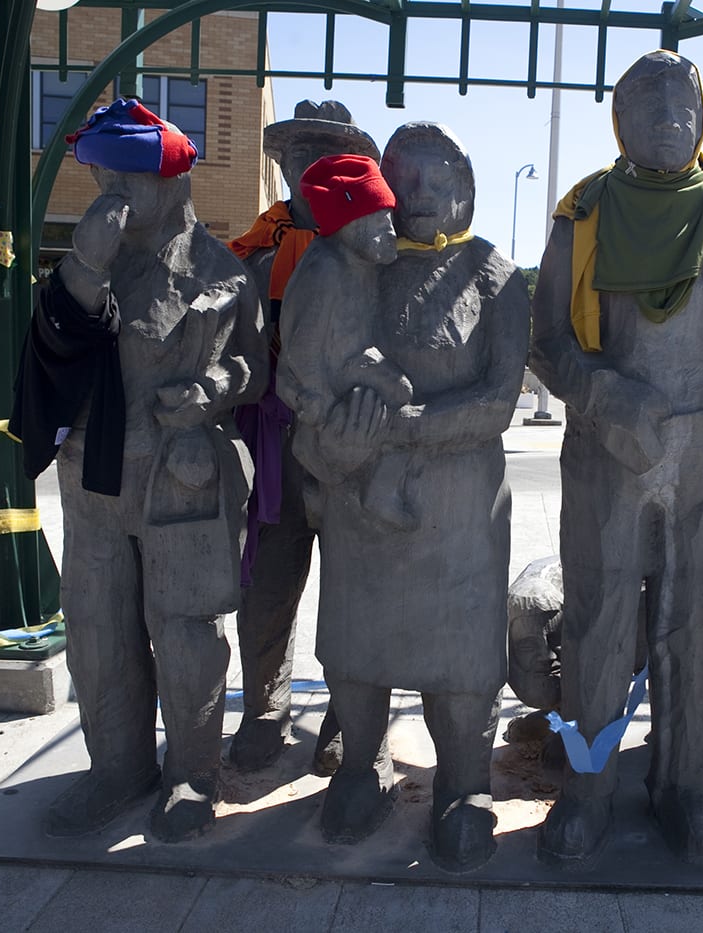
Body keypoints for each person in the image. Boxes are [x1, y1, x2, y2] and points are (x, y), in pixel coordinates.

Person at [528, 50, 703, 865]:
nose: (671, 116)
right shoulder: (584, 215)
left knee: (695, 627)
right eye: (649, 103)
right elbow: (547, 341)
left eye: (685, 103)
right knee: (599, 622)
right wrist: (604, 396)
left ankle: (681, 786)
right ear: (619, 118)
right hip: (607, 454)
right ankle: (588, 787)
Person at [11, 98, 268, 842]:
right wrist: (86, 265)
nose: (111, 197)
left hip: (179, 471)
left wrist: (213, 389)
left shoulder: (223, 271)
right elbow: (49, 348)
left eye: (127, 181)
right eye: (102, 179)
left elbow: (253, 368)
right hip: (90, 475)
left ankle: (192, 772)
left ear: (175, 183)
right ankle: (115, 768)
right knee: (96, 629)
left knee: (186, 631)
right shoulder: (92, 259)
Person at [279, 121, 529, 873]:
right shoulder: (357, 263)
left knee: (460, 654)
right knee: (360, 643)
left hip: (459, 504)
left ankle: (463, 783)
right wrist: (335, 440)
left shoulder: (496, 275)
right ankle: (362, 764)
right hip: (362, 497)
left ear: (466, 184)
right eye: (403, 178)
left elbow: (498, 401)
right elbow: (312, 368)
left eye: (436, 177)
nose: (418, 195)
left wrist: (405, 427)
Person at [225, 101, 380, 774]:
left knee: (353, 590)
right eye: (290, 155)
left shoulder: (379, 253)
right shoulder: (254, 252)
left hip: (354, 446)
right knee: (265, 585)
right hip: (278, 444)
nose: (299, 165)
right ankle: (264, 710)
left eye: (317, 153)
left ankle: (347, 716)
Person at [279, 153, 417, 530]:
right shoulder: (327, 268)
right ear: (348, 222)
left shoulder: (355, 261)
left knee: (395, 394)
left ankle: (344, 483)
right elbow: (302, 345)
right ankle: (376, 491)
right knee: (401, 392)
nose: (391, 229)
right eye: (380, 218)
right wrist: (318, 400)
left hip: (350, 362)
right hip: (329, 374)